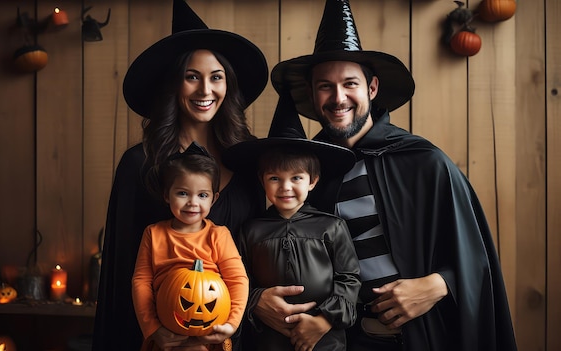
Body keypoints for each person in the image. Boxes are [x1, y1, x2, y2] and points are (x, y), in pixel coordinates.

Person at [256, 0, 518, 350]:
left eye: (350, 83)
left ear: (372, 89)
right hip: (342, 340)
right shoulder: (307, 177)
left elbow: (475, 253)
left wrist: (439, 284)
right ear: (312, 94)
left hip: (420, 338)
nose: (338, 97)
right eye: (325, 86)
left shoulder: (423, 162)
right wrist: (258, 297)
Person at [92, 0, 268, 350]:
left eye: (216, 77)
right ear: (173, 85)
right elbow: (124, 272)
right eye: (192, 77)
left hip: (237, 335)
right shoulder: (139, 165)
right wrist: (156, 332)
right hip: (161, 340)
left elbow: (258, 258)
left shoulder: (251, 163)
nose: (205, 91)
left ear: (228, 85)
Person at [222, 92, 361, 351]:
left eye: (296, 178)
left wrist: (324, 320)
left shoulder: (331, 227)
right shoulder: (251, 230)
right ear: (262, 181)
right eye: (274, 178)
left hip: (324, 340)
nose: (285, 187)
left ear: (313, 181)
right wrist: (255, 302)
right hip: (268, 341)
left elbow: (349, 279)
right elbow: (238, 279)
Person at [132, 142, 249, 351]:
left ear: (214, 199)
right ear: (167, 195)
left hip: (209, 333)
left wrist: (231, 324)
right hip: (165, 334)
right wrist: (152, 329)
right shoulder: (154, 234)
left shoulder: (218, 235)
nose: (193, 202)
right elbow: (141, 282)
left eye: (202, 195)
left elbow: (237, 279)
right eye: (183, 193)